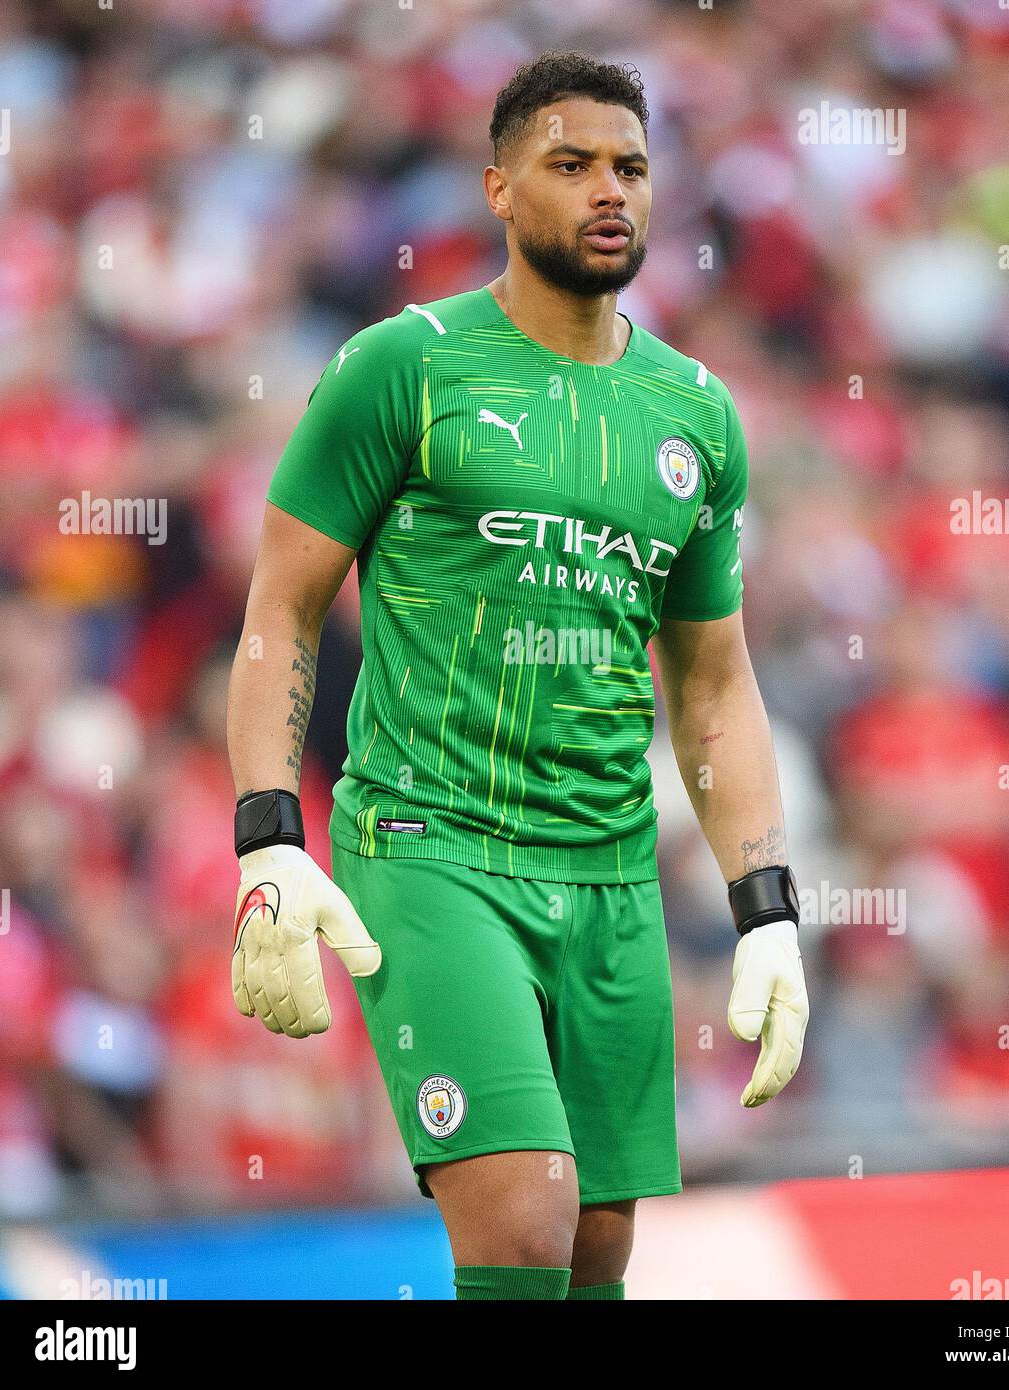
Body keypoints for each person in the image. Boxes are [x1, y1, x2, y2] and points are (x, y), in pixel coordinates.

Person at [226, 49, 808, 1302]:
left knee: (594, 1253)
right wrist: (269, 839)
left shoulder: (695, 414)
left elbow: (712, 682)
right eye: (571, 163)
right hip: (431, 844)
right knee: (527, 1217)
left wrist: (763, 906)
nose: (610, 191)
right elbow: (282, 606)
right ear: (497, 187)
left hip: (609, 874)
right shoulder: (406, 364)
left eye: (632, 168)